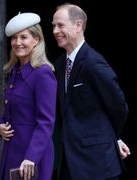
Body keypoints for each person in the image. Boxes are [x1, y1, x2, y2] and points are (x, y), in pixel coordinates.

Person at [52, 3, 129, 179]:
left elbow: (119, 107)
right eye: (54, 26)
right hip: (70, 162)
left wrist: (112, 138)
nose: (55, 31)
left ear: (78, 25)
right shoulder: (60, 64)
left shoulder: (93, 63)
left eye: (60, 25)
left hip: (96, 164)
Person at [0, 12, 57, 180]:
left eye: (24, 37)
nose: (18, 42)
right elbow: (10, 112)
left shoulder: (43, 73)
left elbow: (46, 121)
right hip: (11, 151)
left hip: (31, 156)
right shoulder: (14, 71)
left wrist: (31, 157)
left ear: (36, 40)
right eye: (14, 38)